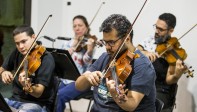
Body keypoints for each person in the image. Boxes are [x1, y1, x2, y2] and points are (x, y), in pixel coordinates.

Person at [75, 14, 156, 112]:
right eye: (105, 42)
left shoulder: (142, 65)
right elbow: (78, 86)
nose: (107, 47)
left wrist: (115, 95)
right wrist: (87, 77)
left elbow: (131, 105)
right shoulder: (105, 57)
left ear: (127, 38)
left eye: (112, 42)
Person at [137, 13, 187, 112]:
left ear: (171, 30)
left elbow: (169, 80)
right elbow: (134, 52)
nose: (156, 31)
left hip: (159, 89)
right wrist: (145, 52)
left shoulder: (174, 52)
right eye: (156, 27)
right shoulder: (148, 40)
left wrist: (177, 75)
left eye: (161, 30)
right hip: (142, 83)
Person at [0, 25, 56, 112]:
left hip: (36, 104)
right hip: (14, 100)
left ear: (33, 37)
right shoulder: (17, 52)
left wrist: (27, 87)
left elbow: (38, 93)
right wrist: (3, 72)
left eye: (23, 41)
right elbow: (2, 68)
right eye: (17, 43)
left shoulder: (46, 58)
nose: (20, 46)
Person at [57, 15, 96, 112]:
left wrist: (90, 51)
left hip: (80, 81)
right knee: (51, 94)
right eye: (75, 26)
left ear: (86, 27)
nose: (77, 28)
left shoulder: (89, 43)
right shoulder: (67, 43)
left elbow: (86, 61)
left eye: (80, 25)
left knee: (59, 96)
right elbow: (60, 61)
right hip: (65, 79)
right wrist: (72, 47)